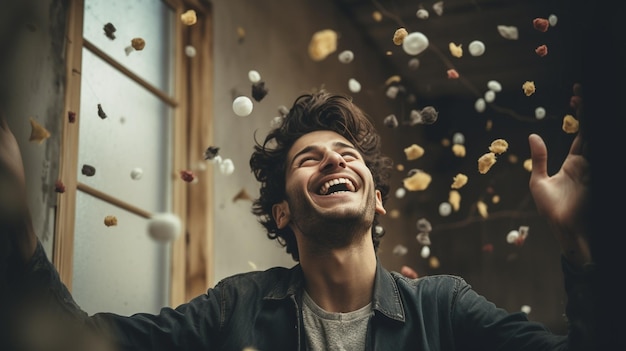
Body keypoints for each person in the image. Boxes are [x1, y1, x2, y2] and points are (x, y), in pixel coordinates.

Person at [0, 90, 595, 350]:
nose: (334, 158)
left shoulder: (443, 308)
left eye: (348, 155)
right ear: (283, 211)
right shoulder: (235, 309)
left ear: (378, 200)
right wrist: (18, 224)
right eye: (309, 158)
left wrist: (577, 245)